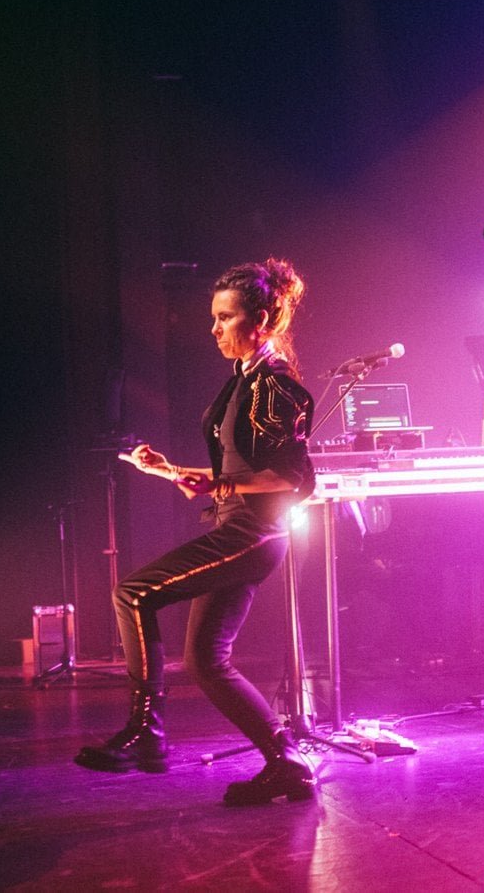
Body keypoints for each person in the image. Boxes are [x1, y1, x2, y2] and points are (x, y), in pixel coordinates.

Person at [74, 258, 319, 806]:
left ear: (261, 321)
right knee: (207, 662)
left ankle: (145, 732)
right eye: (213, 318)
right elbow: (242, 472)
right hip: (240, 525)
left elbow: (292, 478)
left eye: (224, 318)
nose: (213, 329)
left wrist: (221, 486)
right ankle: (289, 763)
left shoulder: (275, 385)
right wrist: (171, 470)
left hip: (253, 534)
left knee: (133, 592)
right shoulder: (245, 381)